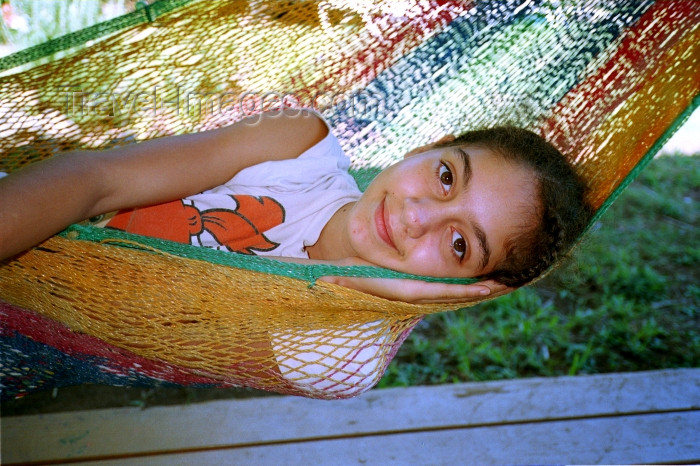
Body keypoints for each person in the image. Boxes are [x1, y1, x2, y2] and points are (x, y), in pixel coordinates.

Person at [0, 108, 592, 304]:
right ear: (424, 148)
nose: (416, 217)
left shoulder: (341, 360)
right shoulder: (297, 146)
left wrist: (356, 291)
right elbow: (98, 178)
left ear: (466, 288)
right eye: (444, 175)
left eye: (460, 244)